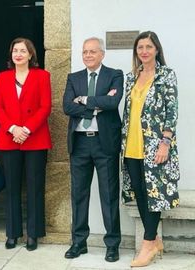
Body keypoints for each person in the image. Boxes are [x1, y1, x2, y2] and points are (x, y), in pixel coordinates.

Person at [62, 37, 123, 262]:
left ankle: (112, 244)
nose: (88, 55)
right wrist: (97, 104)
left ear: (102, 54)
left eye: (92, 52)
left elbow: (112, 104)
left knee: (108, 194)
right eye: (85, 52)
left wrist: (85, 99)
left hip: (104, 143)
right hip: (79, 143)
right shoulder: (74, 77)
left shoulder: (114, 75)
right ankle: (79, 242)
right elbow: (67, 106)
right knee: (79, 195)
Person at [121, 31, 179, 268]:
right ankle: (154, 240)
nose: (144, 51)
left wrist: (165, 142)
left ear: (157, 50)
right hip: (131, 145)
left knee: (154, 195)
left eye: (148, 47)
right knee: (141, 193)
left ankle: (147, 244)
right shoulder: (131, 77)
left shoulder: (167, 75)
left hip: (156, 146)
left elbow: (171, 111)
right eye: (140, 47)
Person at [0, 37, 52, 251]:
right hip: (9, 139)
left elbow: (45, 107)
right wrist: (12, 128)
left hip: (35, 139)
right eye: (15, 50)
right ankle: (12, 233)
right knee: (12, 188)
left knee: (35, 188)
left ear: (30, 55)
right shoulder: (2, 77)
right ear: (11, 55)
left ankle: (33, 235)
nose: (18, 54)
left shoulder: (42, 76)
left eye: (23, 50)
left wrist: (26, 129)